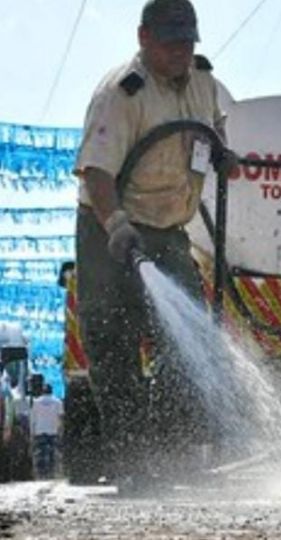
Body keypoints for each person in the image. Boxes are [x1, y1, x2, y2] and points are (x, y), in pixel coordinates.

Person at [73, 0, 232, 490]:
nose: (182, 52)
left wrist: (225, 153)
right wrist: (116, 224)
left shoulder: (204, 82)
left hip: (167, 231)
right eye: (171, 43)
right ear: (144, 38)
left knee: (188, 346)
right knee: (113, 343)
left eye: (188, 42)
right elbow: (98, 171)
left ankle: (170, 453)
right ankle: (132, 461)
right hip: (109, 229)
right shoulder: (124, 93)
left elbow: (213, 131)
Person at [30, 384, 63, 480]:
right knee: (52, 453)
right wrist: (61, 430)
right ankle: (51, 473)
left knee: (40, 453)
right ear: (51, 391)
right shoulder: (58, 402)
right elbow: (61, 417)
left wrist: (32, 432)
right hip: (53, 431)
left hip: (39, 431)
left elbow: (33, 419)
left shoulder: (36, 402)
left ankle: (41, 474)